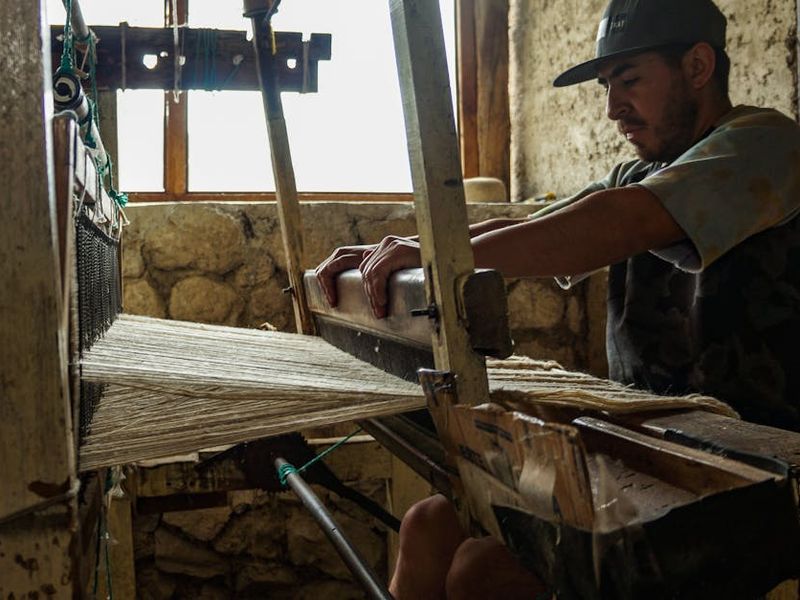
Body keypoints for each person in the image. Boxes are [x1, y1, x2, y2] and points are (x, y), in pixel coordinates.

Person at [316, 0, 800, 596]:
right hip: (649, 446)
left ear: (698, 66)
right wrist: (405, 250)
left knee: (479, 574)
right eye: (607, 86)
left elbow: (608, 224)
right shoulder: (634, 176)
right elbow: (540, 224)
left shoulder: (768, 144)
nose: (613, 107)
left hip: (754, 462)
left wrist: (431, 258)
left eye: (629, 81)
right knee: (428, 526)